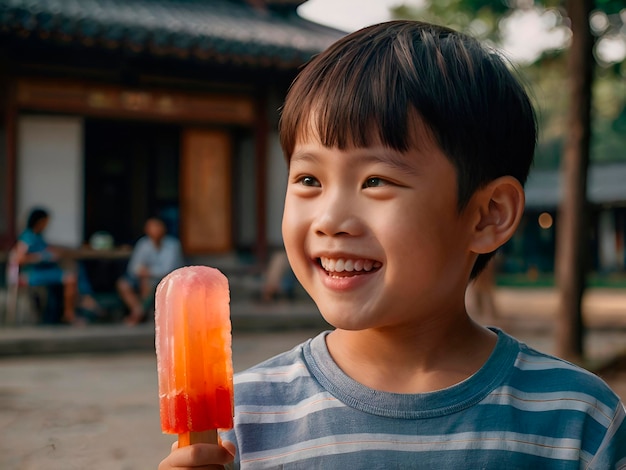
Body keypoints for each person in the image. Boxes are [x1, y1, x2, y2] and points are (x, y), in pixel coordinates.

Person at [159, 21, 626, 468]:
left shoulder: (578, 419)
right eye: (308, 179)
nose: (330, 219)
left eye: (376, 180)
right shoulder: (243, 420)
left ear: (488, 215)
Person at [12, 207, 95, 325]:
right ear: (39, 221)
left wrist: (57, 252)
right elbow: (19, 258)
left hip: (43, 272)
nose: (47, 225)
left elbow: (48, 249)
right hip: (31, 274)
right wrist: (41, 257)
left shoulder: (38, 236)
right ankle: (70, 313)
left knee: (75, 267)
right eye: (46, 222)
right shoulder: (27, 237)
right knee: (70, 277)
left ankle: (83, 299)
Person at [117, 216, 183, 325]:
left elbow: (168, 270)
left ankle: (137, 315)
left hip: (167, 280)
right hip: (143, 277)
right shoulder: (143, 244)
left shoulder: (173, 245)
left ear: (163, 229)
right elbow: (133, 268)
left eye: (157, 227)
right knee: (123, 284)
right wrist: (144, 272)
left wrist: (148, 272)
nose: (154, 231)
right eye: (151, 228)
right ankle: (139, 312)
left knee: (147, 282)